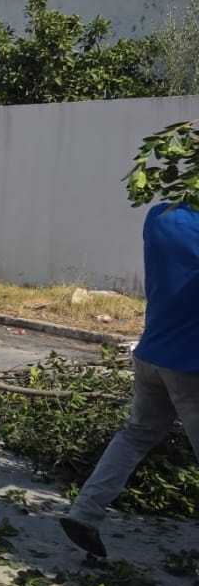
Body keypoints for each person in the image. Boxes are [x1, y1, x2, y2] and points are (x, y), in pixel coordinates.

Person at [60, 197, 199, 558]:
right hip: (191, 364)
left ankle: (85, 512)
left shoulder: (160, 216)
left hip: (153, 352)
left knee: (136, 434)